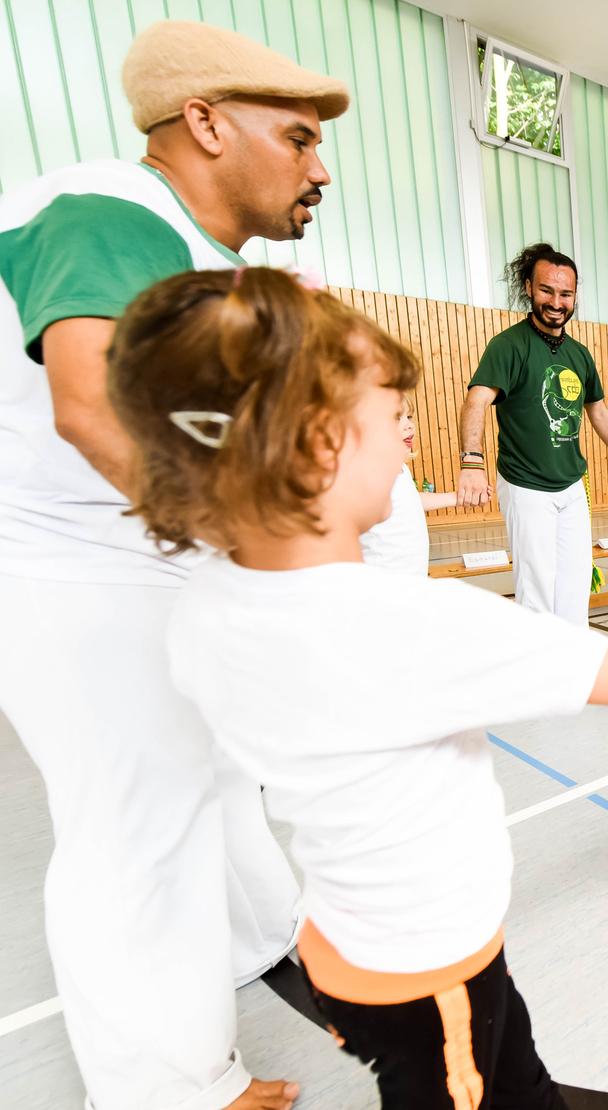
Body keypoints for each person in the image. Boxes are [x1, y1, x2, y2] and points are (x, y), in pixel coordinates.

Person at [106, 267, 608, 1109]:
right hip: (428, 972)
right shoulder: (404, 624)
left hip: (347, 946)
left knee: (514, 1074)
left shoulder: (209, 603)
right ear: (319, 446)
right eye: (393, 422)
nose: (410, 446)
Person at [0, 20, 349, 1110]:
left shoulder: (203, 264)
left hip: (132, 548)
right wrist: (267, 549)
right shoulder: (109, 208)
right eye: (296, 138)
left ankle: (253, 943)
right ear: (202, 125)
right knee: (134, 829)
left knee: (216, 773)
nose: (318, 167)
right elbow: (94, 404)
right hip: (69, 566)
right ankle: (168, 1092)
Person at [456, 244, 608, 622]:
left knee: (574, 585)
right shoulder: (508, 346)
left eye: (565, 294)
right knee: (537, 588)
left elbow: (596, 409)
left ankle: (572, 666)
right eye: (546, 290)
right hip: (526, 485)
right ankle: (539, 671)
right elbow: (477, 400)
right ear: (528, 288)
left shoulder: (579, 354)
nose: (556, 302)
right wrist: (472, 460)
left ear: (574, 297)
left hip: (571, 485)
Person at [359, 394, 460, 576]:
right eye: (398, 418)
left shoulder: (401, 468)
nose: (409, 424)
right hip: (382, 579)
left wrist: (456, 497)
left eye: (409, 417)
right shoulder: (369, 472)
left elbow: (410, 500)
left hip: (412, 577)